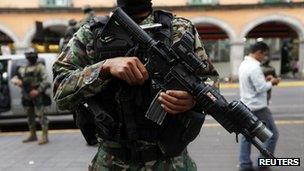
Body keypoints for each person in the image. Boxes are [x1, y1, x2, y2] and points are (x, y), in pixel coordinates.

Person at [52, 0, 218, 170]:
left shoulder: (180, 29)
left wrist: (193, 99)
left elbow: (210, 81)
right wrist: (103, 68)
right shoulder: (92, 33)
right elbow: (59, 90)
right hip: (112, 162)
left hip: (171, 162)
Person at [238, 42, 280, 171]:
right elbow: (260, 88)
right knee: (272, 135)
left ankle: (244, 164)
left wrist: (264, 80)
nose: (264, 58)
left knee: (247, 136)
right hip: (258, 108)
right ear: (259, 52)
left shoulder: (243, 64)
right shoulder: (255, 67)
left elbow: (253, 85)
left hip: (246, 106)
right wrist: (272, 82)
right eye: (264, 55)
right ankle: (263, 164)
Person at [11, 51, 51, 145]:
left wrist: (37, 91)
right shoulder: (23, 68)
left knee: (42, 116)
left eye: (31, 57)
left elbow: (46, 81)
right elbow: (15, 78)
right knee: (30, 116)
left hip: (37, 95)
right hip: (26, 95)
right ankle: (32, 134)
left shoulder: (40, 67)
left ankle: (44, 135)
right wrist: (17, 82)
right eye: (28, 57)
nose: (30, 59)